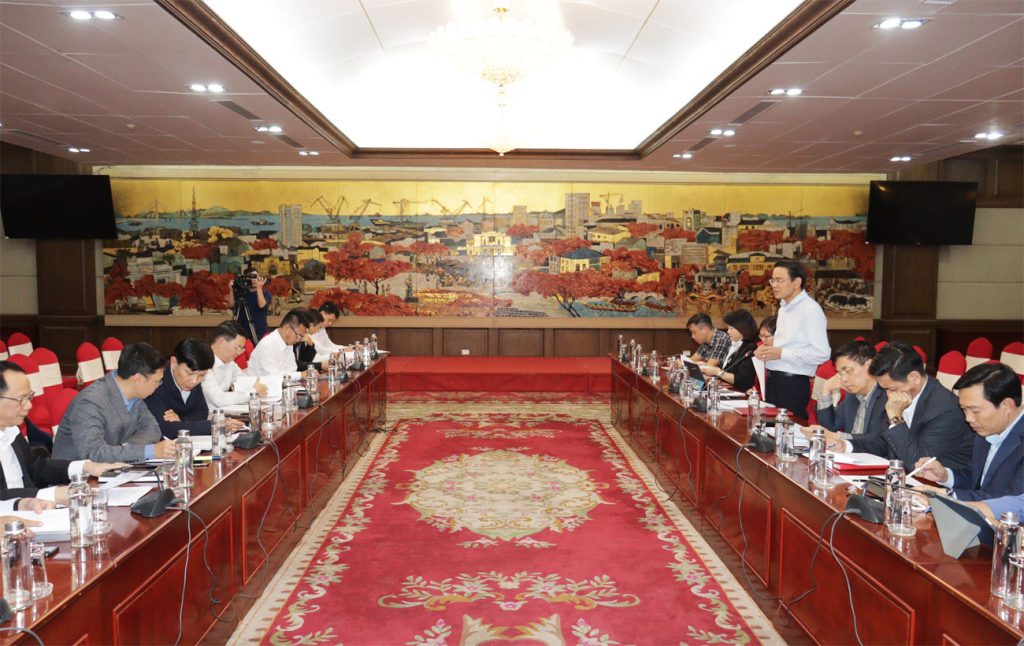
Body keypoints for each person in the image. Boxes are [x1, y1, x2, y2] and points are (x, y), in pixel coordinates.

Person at [0, 361, 126, 511]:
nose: (29, 405)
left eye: (29, 397)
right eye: (21, 399)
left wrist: (86, 467)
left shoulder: (10, 428)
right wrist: (53, 494)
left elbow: (35, 468)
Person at [829, 341, 973, 471]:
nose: (888, 395)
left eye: (891, 388)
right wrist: (845, 445)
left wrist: (895, 418)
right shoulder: (899, 394)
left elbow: (917, 463)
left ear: (914, 378)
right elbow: (883, 441)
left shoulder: (945, 409)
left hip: (937, 483)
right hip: (902, 475)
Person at [912, 362, 1023, 501]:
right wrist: (945, 476)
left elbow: (1013, 502)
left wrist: (947, 496)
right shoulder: (985, 429)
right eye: (964, 409)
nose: (968, 418)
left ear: (1007, 405)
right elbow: (975, 481)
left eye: (975, 411)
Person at [53, 342, 176, 463]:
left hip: (111, 469)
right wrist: (148, 451)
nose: (158, 386)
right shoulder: (90, 401)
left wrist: (124, 451)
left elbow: (152, 429)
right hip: (77, 473)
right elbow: (94, 452)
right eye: (157, 381)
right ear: (138, 379)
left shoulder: (135, 395)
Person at [753, 260, 831, 416]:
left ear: (797, 282)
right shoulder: (784, 308)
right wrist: (767, 350)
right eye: (772, 280)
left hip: (792, 384)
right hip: (774, 379)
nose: (774, 285)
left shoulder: (810, 309)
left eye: (779, 280)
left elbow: (822, 353)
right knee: (769, 428)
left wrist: (782, 353)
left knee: (786, 429)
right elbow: (788, 344)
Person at [145, 338, 245, 439]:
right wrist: (214, 425)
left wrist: (181, 421)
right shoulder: (156, 381)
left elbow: (202, 412)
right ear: (174, 363)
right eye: (189, 373)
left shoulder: (194, 378)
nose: (194, 381)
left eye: (202, 375)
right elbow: (165, 429)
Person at [805, 341, 888, 444]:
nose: (844, 379)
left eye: (848, 371)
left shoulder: (886, 396)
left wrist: (837, 436)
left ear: (869, 365)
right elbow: (830, 427)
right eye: (840, 373)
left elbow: (879, 441)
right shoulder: (852, 396)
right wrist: (826, 390)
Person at [203, 320, 268, 408]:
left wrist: (260, 385)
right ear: (221, 342)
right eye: (237, 348)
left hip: (224, 411)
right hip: (207, 413)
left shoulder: (230, 362)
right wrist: (253, 392)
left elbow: (243, 380)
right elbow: (219, 398)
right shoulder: (204, 362)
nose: (239, 353)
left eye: (242, 349)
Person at [699, 309, 759, 391]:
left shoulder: (751, 348)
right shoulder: (735, 345)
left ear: (742, 328)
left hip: (743, 393)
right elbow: (727, 371)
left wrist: (718, 372)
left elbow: (742, 380)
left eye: (731, 328)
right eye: (728, 328)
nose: (728, 332)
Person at [246, 307, 307, 377]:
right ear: (287, 328)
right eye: (298, 335)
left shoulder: (288, 343)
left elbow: (292, 369)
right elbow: (273, 377)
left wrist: (295, 375)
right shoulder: (267, 345)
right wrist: (299, 375)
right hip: (260, 383)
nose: (298, 340)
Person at [226, 268, 271, 343]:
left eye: (256, 277)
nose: (254, 280)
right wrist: (231, 290)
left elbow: (262, 306)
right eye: (251, 277)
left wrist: (259, 288)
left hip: (259, 332)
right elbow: (231, 305)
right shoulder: (241, 292)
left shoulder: (265, 293)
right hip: (242, 333)